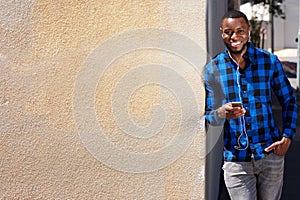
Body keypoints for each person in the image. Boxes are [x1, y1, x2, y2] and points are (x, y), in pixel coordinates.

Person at [204, 10, 298, 200]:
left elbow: (289, 99)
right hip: (236, 161)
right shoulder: (213, 69)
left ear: (248, 31)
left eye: (240, 31)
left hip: (270, 153)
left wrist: (287, 137)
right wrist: (222, 112)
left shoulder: (268, 61)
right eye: (228, 32)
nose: (234, 37)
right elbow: (209, 116)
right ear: (221, 32)